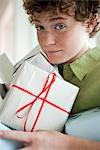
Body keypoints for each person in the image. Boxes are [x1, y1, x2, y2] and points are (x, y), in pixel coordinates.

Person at [0, 0, 100, 149]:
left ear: (90, 22)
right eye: (40, 27)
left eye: (60, 26)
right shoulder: (33, 67)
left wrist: (66, 145)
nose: (46, 41)